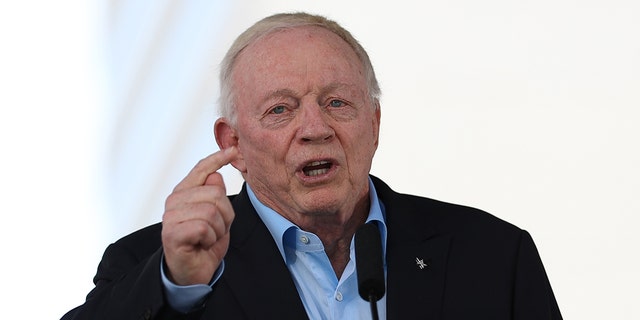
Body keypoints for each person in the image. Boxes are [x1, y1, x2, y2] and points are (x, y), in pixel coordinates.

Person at [62, 12, 562, 320]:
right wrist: (180, 284)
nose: (314, 128)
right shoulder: (152, 266)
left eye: (337, 102)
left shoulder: (494, 256)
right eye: (280, 109)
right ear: (231, 142)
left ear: (374, 122)